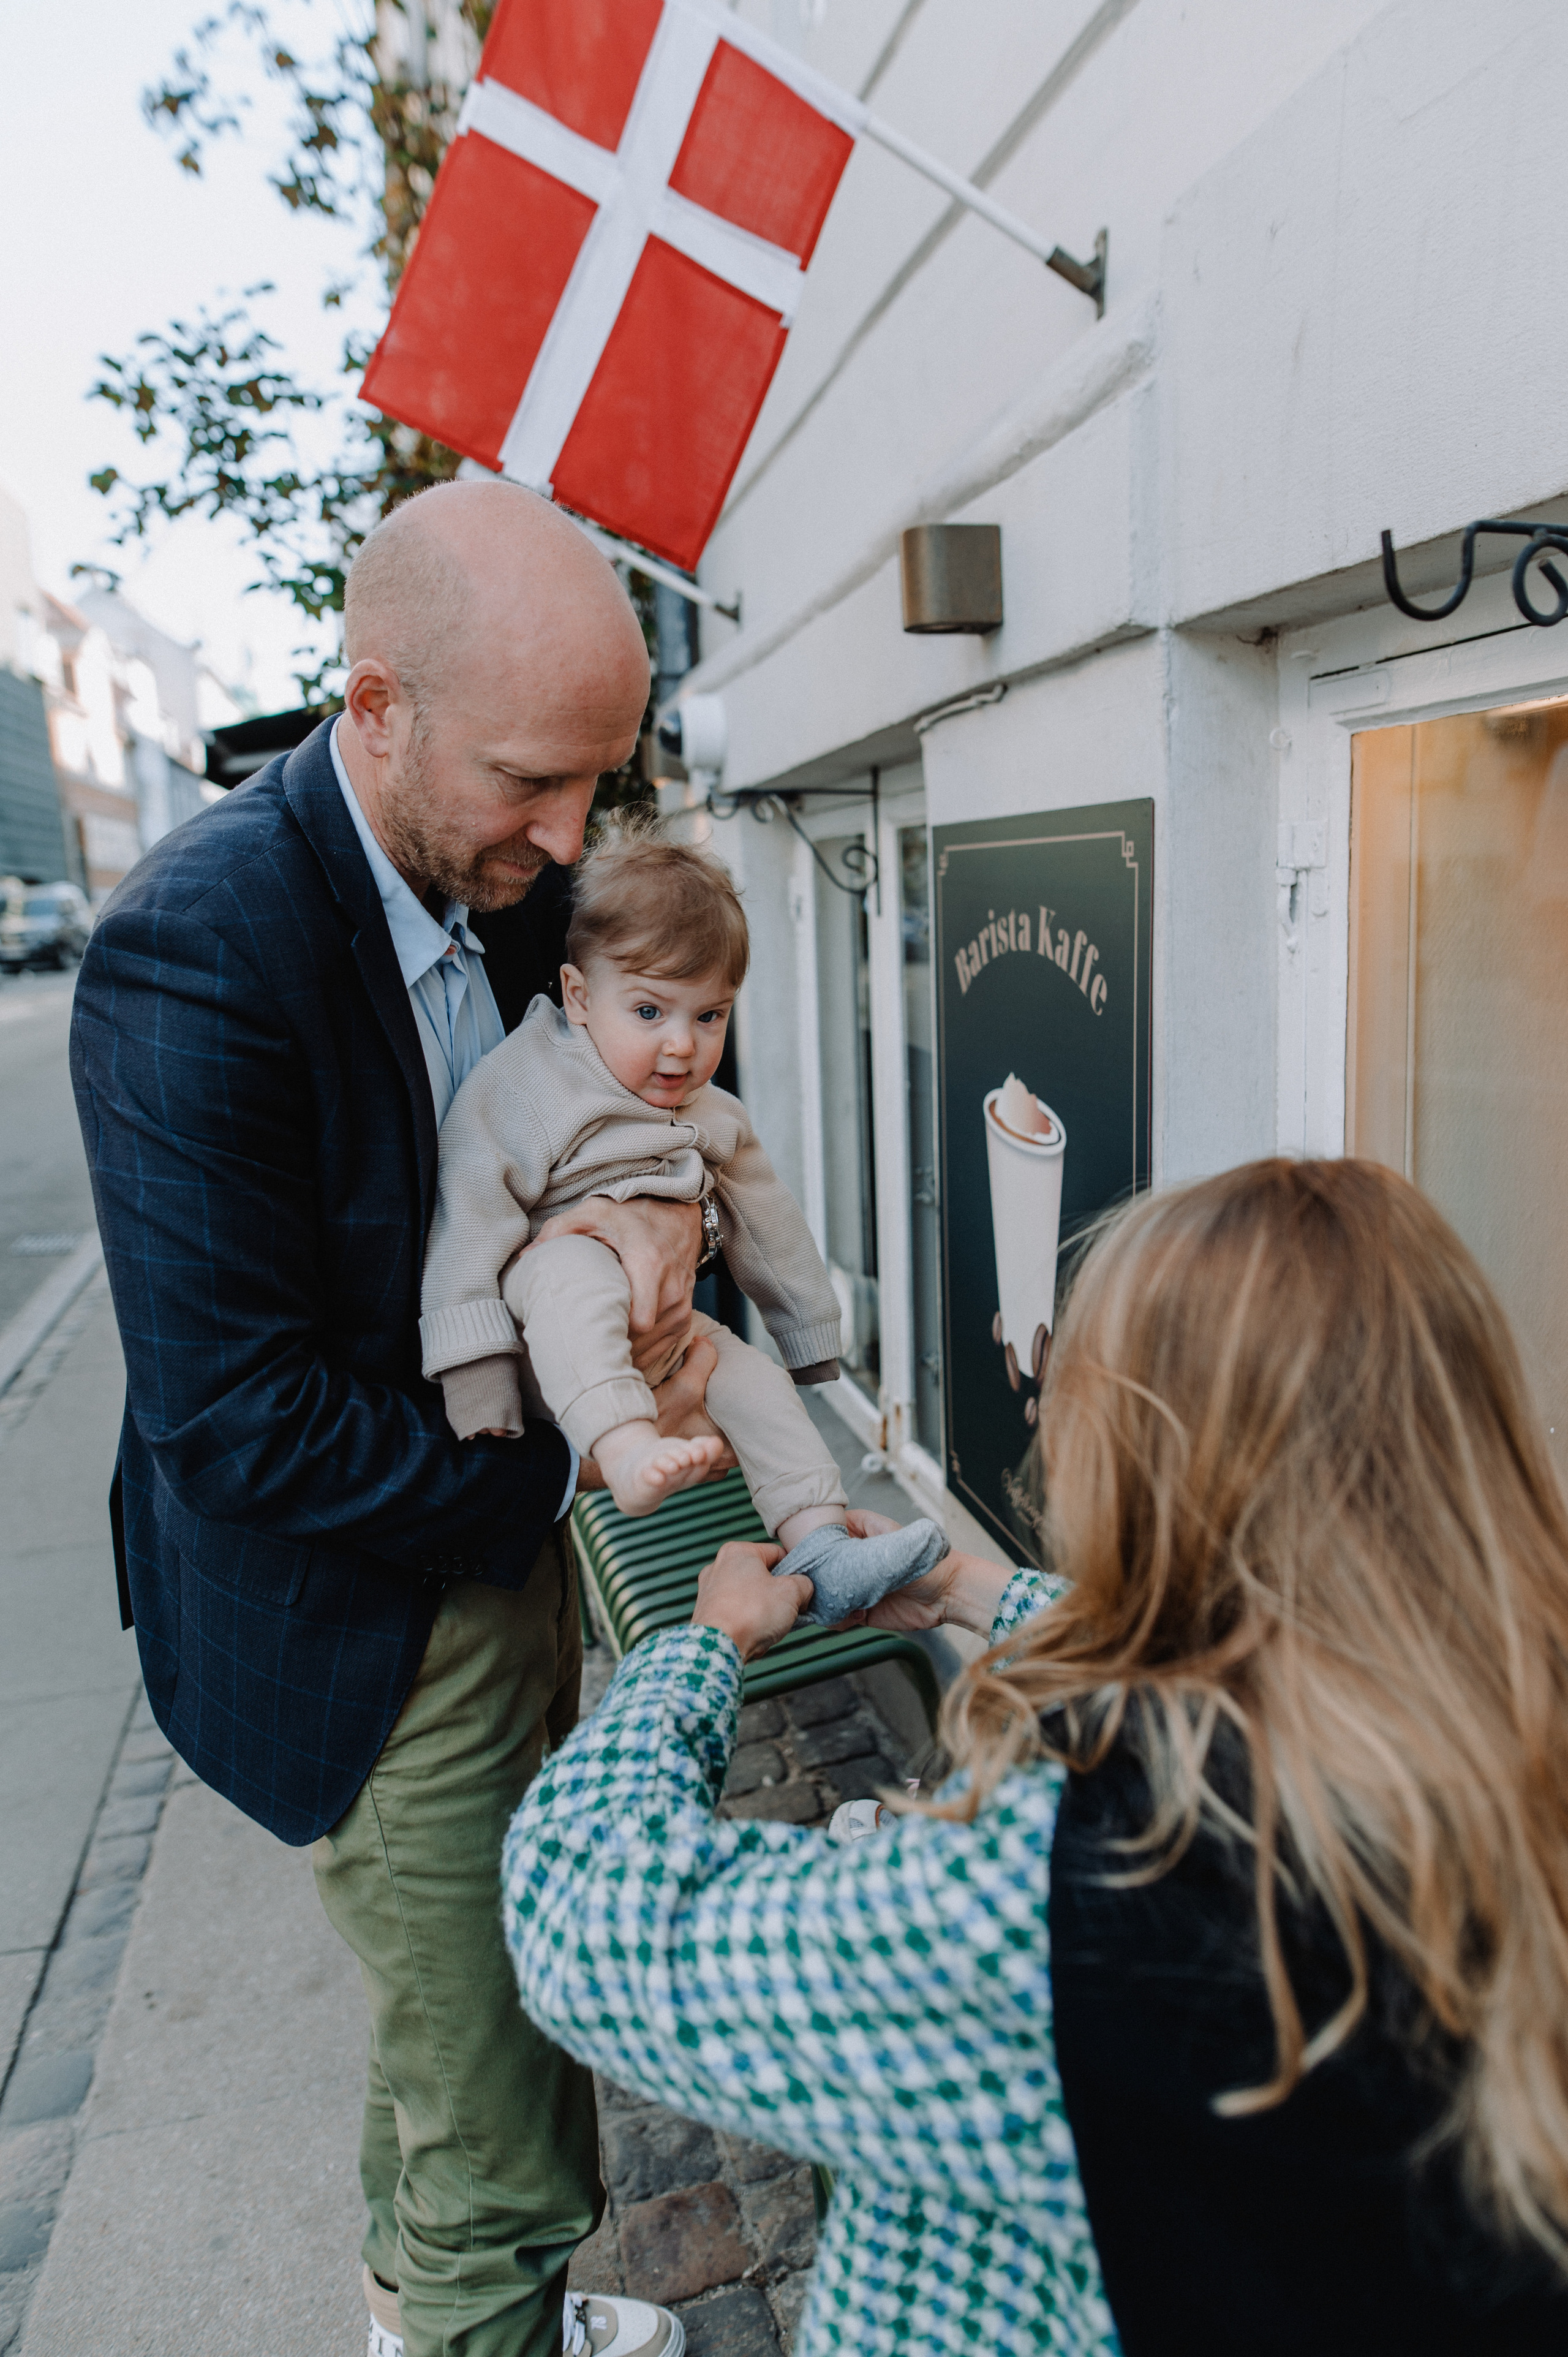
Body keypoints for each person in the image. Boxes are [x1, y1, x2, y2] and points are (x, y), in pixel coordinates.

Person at [501, 1158, 1568, 2355]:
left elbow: (584, 1913)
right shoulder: (1506, 1717)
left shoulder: (1065, 1893)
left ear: (1136, 1461)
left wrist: (700, 1650)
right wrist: (971, 1590)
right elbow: (1249, 1650)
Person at [70, 479, 714, 2357]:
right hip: (365, 1619)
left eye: (601, 782)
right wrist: (567, 1461)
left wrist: (663, 1236)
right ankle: (475, 2314)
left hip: (500, 1535)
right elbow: (233, 1419)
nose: (572, 838)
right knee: (511, 2135)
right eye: (532, 780)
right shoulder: (197, 949)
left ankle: (405, 2310)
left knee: (447, 2032)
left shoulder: (508, 881)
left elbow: (630, 1106)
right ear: (377, 708)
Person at [420, 821, 949, 1614]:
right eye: (650, 1011)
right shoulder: (526, 1084)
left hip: (662, 1340)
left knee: (753, 1380)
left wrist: (807, 1335)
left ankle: (823, 1545)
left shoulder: (713, 1111)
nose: (682, 1047)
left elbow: (767, 1222)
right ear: (578, 996)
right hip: (545, 1338)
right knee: (568, 1266)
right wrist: (478, 1386)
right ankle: (626, 1447)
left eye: (710, 1017)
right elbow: (469, 1220)